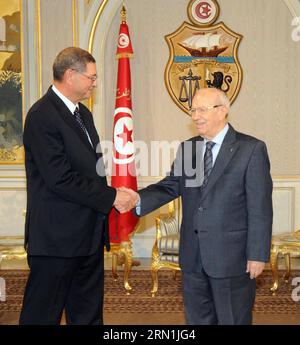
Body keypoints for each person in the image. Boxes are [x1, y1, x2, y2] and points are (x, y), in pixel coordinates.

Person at [118, 87, 273, 325]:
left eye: (202, 109)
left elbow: (260, 208)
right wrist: (138, 199)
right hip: (193, 257)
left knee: (232, 320)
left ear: (222, 111)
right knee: (197, 321)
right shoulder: (189, 148)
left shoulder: (250, 149)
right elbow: (171, 186)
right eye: (193, 110)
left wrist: (257, 255)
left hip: (232, 258)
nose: (195, 116)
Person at [20, 47, 134, 325]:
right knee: (41, 316)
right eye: (91, 78)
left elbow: (91, 171)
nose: (95, 83)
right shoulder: (41, 116)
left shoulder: (83, 113)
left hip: (88, 236)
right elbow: (60, 179)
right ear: (71, 75)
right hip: (56, 241)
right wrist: (112, 197)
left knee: (87, 316)